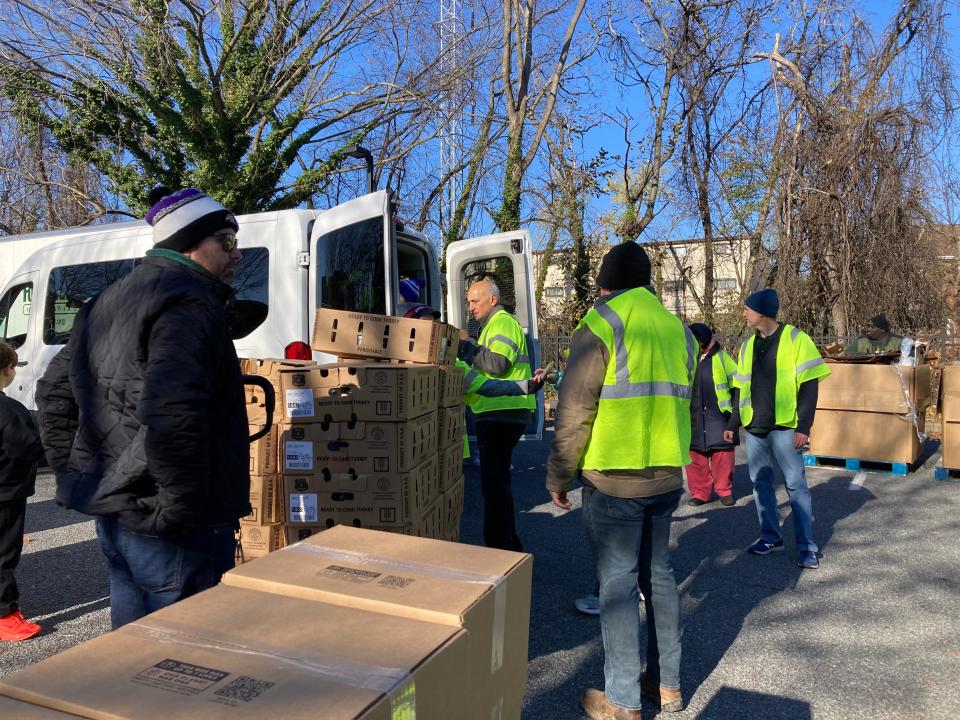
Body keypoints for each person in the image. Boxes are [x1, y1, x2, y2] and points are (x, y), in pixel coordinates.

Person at [35, 187, 251, 629]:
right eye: (227, 242)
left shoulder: (105, 301)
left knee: (133, 660)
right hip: (172, 523)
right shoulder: (188, 303)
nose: (238, 255)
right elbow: (173, 412)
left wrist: (81, 476)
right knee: (181, 664)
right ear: (192, 243)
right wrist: (178, 507)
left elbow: (52, 394)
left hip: (123, 512)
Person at [546, 241, 697, 719]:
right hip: (666, 474)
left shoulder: (600, 324)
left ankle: (624, 701)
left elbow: (574, 411)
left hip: (613, 477)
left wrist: (559, 475)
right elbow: (685, 404)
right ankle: (668, 686)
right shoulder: (681, 332)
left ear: (604, 285)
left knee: (617, 586)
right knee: (660, 577)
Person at [725, 288, 830, 570]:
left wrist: (804, 426)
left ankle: (807, 546)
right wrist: (734, 423)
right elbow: (739, 387)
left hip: (785, 426)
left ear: (763, 311)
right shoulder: (747, 345)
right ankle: (771, 537)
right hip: (755, 428)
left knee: (795, 485)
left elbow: (809, 386)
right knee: (761, 484)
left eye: (748, 308)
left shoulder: (796, 339)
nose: (744, 312)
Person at [458, 279, 535, 551]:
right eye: (468, 301)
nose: (470, 307)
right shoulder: (492, 326)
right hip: (497, 412)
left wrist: (466, 346)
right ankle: (509, 545)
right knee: (497, 485)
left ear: (492, 299)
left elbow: (498, 364)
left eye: (474, 301)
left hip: (502, 411)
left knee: (494, 487)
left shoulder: (502, 322)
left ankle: (500, 549)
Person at [0, 342, 45, 642]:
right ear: (7, 370)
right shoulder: (9, 412)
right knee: (4, 554)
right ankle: (4, 615)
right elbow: (29, 447)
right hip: (5, 494)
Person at [686, 322, 739, 507]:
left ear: (700, 342)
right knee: (695, 457)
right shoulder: (686, 359)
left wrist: (734, 416)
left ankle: (724, 490)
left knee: (722, 455)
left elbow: (737, 386)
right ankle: (700, 493)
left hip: (718, 416)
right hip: (692, 417)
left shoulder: (722, 358)